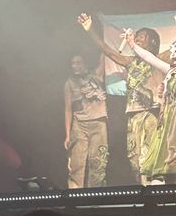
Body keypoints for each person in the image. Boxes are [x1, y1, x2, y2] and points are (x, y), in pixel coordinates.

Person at [77, 13, 164, 185]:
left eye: (142, 37)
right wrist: (90, 31)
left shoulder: (159, 60)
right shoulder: (129, 62)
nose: (137, 39)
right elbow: (106, 49)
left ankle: (156, 194)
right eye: (136, 36)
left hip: (151, 115)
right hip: (133, 116)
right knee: (135, 159)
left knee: (151, 158)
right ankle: (143, 193)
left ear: (152, 42)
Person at [125, 16, 176, 184]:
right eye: (173, 50)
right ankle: (159, 198)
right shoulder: (170, 72)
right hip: (167, 120)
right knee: (163, 162)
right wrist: (132, 44)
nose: (173, 53)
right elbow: (149, 58)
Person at [64, 54, 108, 188]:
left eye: (78, 63)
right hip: (79, 124)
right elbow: (67, 109)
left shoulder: (96, 76)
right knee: (77, 163)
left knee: (98, 161)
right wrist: (67, 134)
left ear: (85, 63)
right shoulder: (69, 83)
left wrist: (104, 37)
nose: (75, 66)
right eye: (73, 63)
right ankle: (75, 195)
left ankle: (96, 196)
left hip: (99, 123)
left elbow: (105, 56)